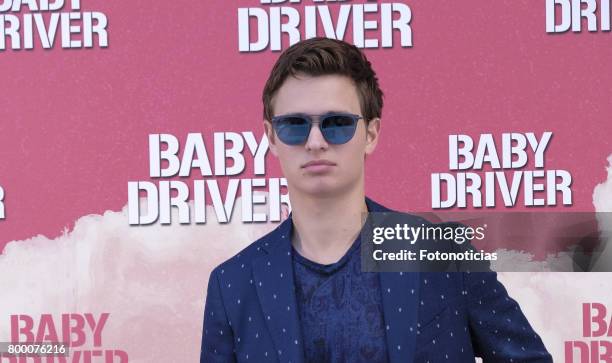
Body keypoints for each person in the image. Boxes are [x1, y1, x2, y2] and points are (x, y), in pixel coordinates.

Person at [200, 37, 553, 363]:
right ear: (271, 137)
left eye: (337, 123)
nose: (315, 141)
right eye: (294, 124)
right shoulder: (234, 283)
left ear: (370, 134)